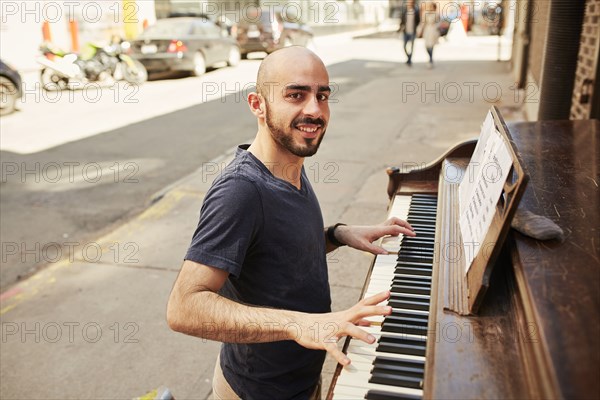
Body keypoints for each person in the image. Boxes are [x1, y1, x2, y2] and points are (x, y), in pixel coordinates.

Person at [166, 46, 416, 400]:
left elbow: (276, 244)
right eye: (296, 95)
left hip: (300, 378)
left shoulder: (289, 162)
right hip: (260, 391)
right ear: (257, 104)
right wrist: (301, 324)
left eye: (322, 95)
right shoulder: (240, 191)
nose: (314, 110)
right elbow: (184, 308)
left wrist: (339, 234)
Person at [398, 0, 420, 66]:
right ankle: (409, 58)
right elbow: (402, 20)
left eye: (410, 2)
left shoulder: (416, 11)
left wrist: (417, 28)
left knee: (412, 46)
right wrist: (400, 28)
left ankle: (410, 60)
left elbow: (418, 21)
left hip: (413, 31)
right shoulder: (405, 10)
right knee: (404, 46)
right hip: (405, 31)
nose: (409, 3)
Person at [421, 2, 441, 68]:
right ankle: (430, 57)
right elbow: (422, 23)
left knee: (431, 46)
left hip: (433, 31)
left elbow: (439, 23)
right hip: (427, 31)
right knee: (426, 46)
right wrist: (420, 30)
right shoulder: (425, 13)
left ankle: (430, 59)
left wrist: (435, 25)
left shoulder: (437, 14)